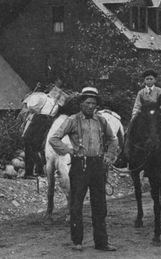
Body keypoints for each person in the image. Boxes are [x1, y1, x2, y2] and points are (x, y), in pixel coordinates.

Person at [49, 87, 119, 252]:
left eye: (93, 103)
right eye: (87, 103)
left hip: (98, 166)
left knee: (100, 205)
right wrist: (69, 151)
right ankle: (77, 241)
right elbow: (54, 139)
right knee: (76, 205)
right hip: (80, 166)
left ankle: (102, 243)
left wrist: (109, 156)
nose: (90, 106)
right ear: (81, 104)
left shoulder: (101, 121)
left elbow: (113, 140)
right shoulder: (72, 120)